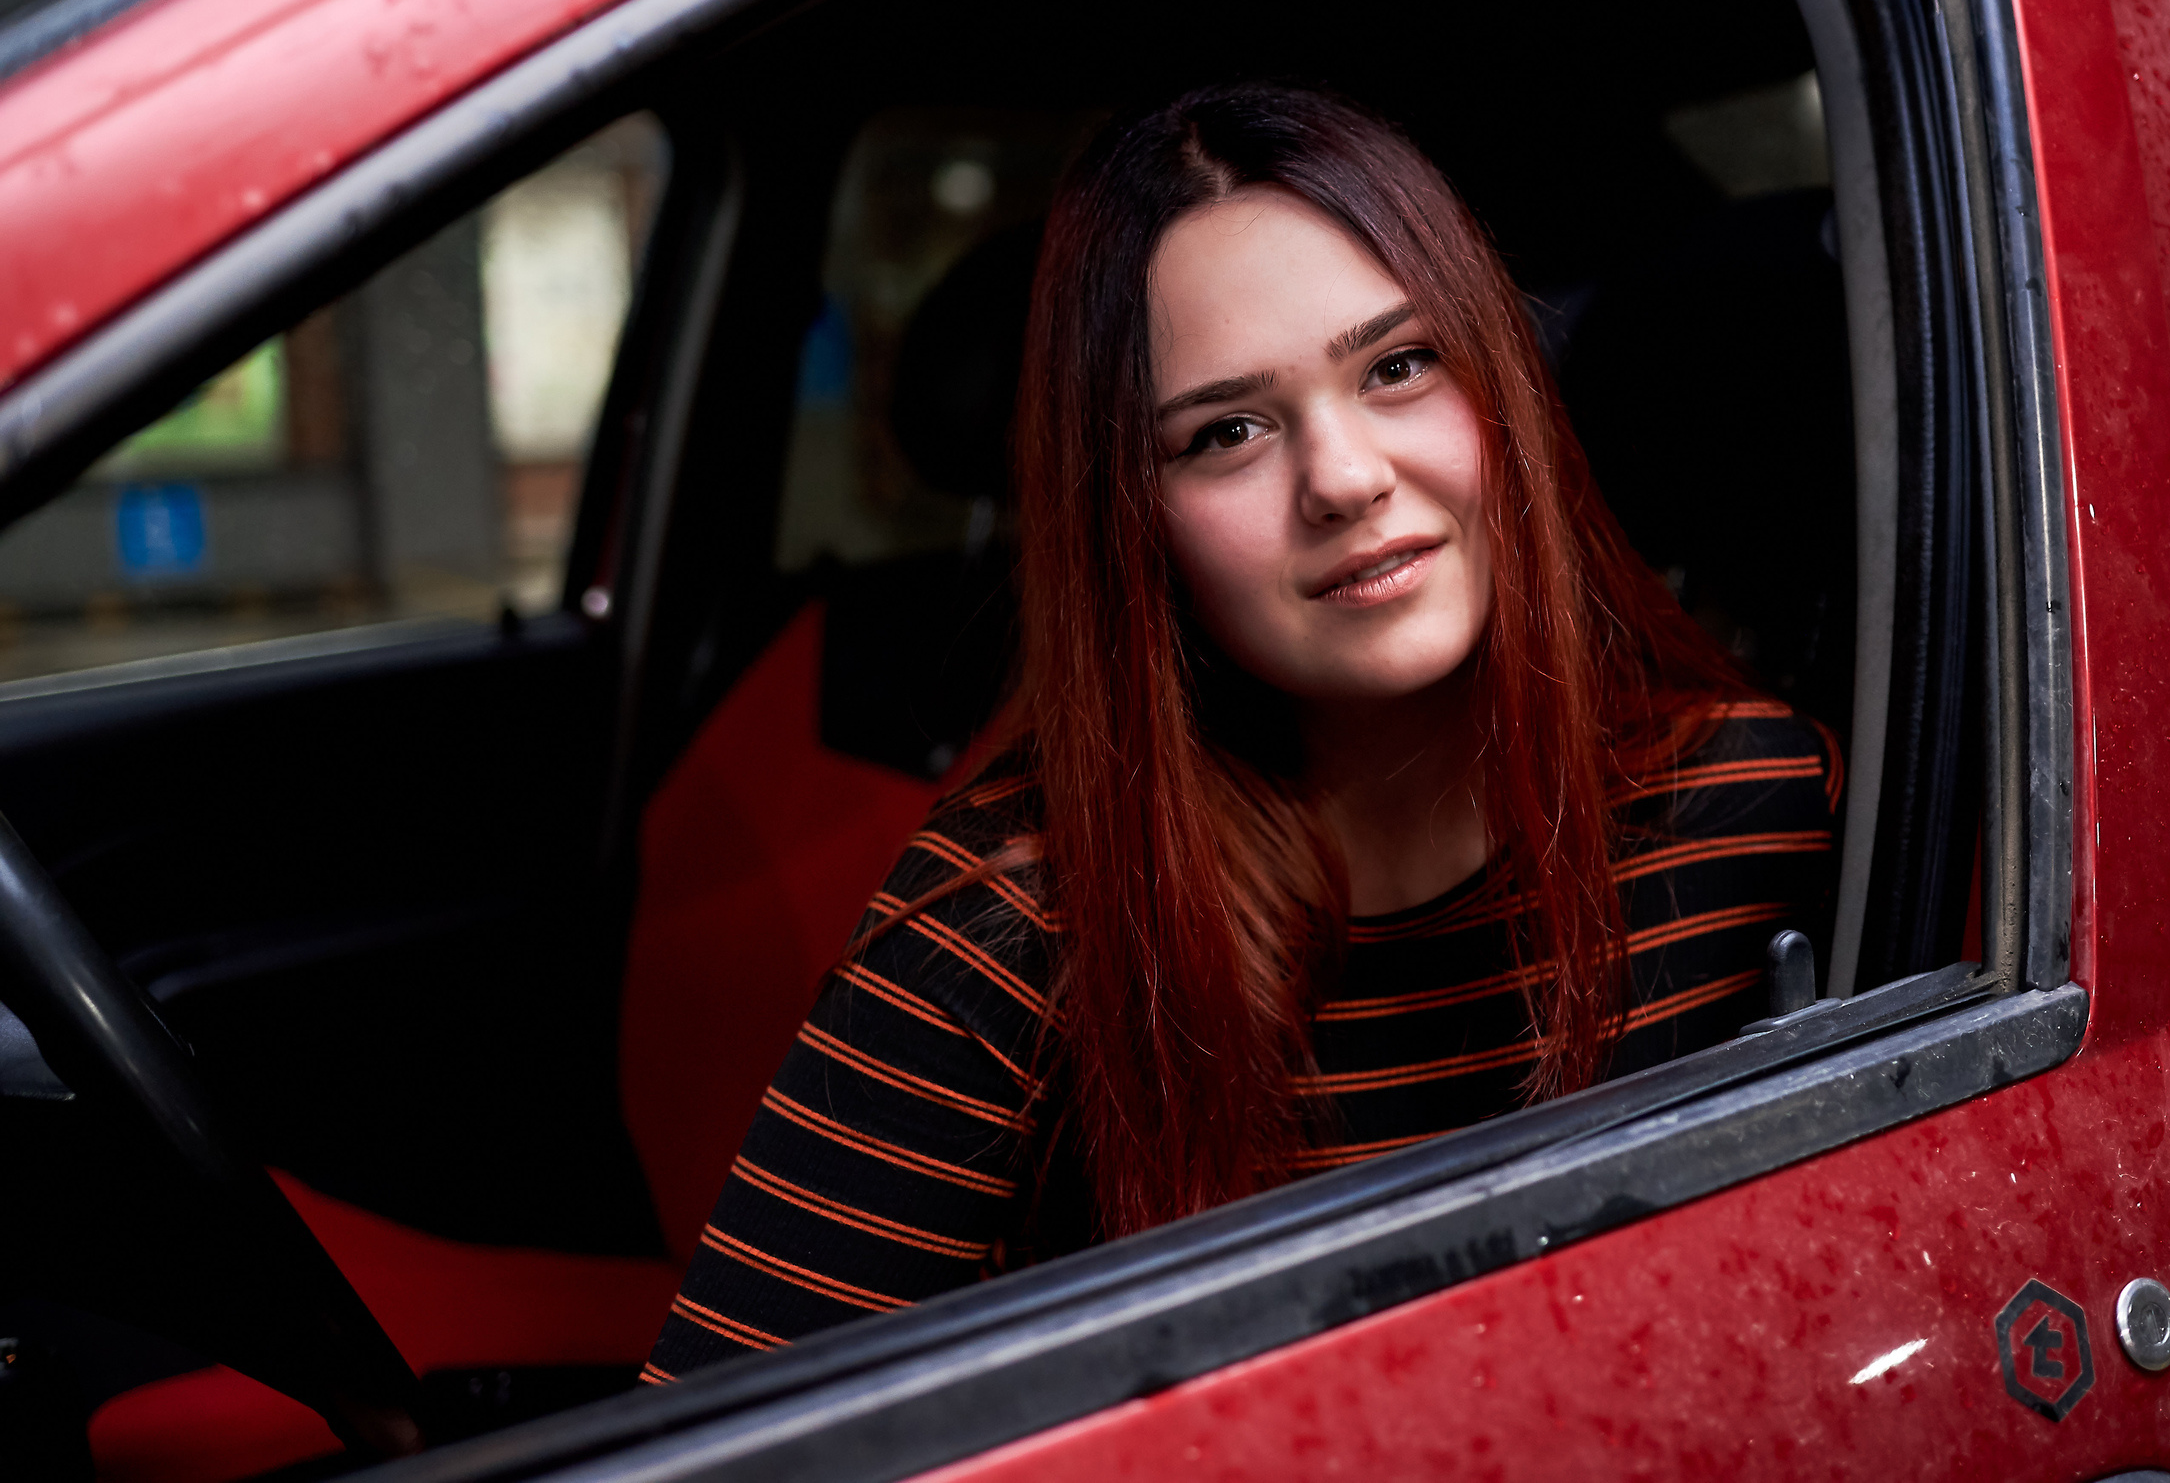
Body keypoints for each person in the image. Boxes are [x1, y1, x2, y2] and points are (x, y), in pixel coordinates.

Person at [643, 83, 1840, 1379]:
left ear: (1506, 390)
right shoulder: (1020, 930)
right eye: (1228, 432)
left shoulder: (1750, 807)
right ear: (1134, 521)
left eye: (1398, 365)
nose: (1342, 476)